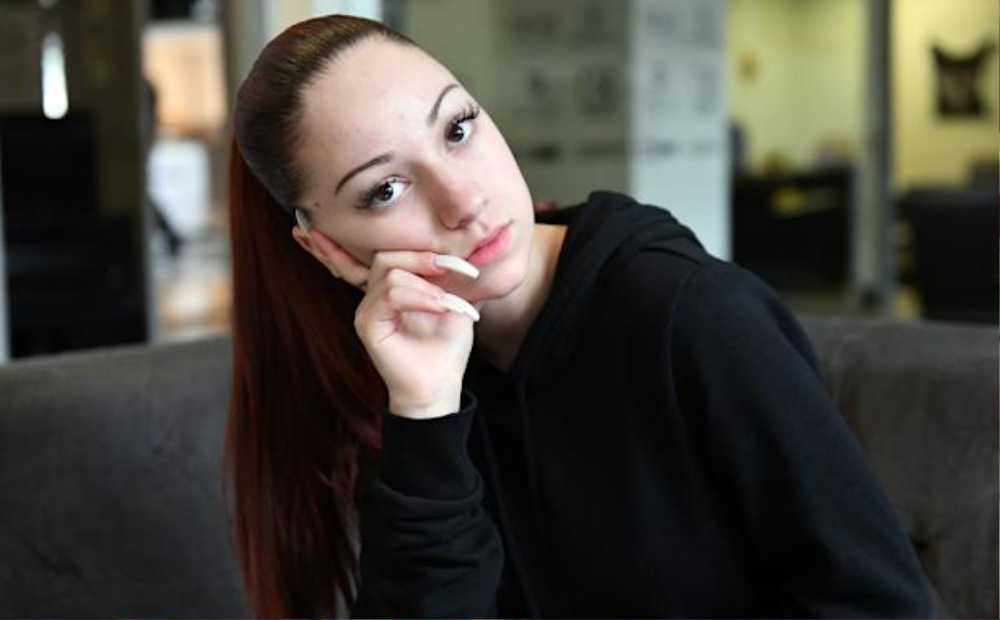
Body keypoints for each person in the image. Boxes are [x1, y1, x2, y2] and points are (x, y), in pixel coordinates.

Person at [224, 14, 932, 619]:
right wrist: (426, 412)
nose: (464, 201)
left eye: (459, 128)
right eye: (385, 190)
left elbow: (881, 604)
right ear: (324, 246)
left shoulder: (695, 316)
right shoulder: (394, 365)